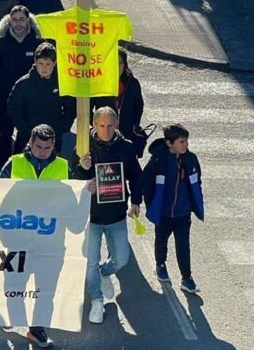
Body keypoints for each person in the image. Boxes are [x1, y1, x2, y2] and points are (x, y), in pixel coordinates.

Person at [0, 124, 78, 349]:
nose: (43, 151)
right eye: (39, 147)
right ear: (30, 144)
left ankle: (37, 330)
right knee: (14, 284)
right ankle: (15, 317)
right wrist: (5, 236)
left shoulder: (63, 167)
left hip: (50, 243)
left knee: (46, 289)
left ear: (54, 146)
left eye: (47, 147)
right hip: (18, 240)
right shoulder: (14, 164)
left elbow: (71, 200)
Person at [70, 106, 143, 325]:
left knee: (121, 259)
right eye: (101, 125)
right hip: (91, 217)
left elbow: (136, 176)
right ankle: (96, 300)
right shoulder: (83, 147)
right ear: (93, 125)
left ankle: (105, 272)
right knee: (90, 261)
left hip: (117, 215)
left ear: (116, 124)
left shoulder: (126, 147)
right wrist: (83, 171)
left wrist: (136, 201)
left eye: (110, 125)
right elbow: (71, 179)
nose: (106, 130)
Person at [142, 123, 203, 293]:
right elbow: (146, 182)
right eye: (181, 142)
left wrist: (195, 203)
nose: (186, 145)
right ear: (169, 143)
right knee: (161, 241)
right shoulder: (158, 159)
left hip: (183, 213)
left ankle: (187, 278)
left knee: (183, 245)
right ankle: (160, 264)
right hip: (164, 212)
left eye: (186, 141)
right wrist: (150, 204)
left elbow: (197, 182)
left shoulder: (191, 159)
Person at [0, 5, 43, 166]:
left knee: (26, 134)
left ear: (28, 20)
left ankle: (20, 165)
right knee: (4, 135)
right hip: (4, 96)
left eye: (22, 19)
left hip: (30, 97)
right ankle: (4, 168)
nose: (18, 24)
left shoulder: (37, 41)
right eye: (14, 20)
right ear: (9, 21)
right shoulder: (0, 42)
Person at [7, 42, 75, 153]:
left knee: (52, 168)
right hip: (27, 138)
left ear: (54, 63)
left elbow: (71, 107)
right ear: (35, 63)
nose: (44, 68)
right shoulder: (24, 84)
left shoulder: (62, 84)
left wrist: (62, 127)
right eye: (41, 63)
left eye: (47, 64)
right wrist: (24, 129)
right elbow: (13, 107)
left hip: (53, 138)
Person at [91, 47, 145, 144]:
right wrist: (97, 125)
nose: (118, 67)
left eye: (121, 63)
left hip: (126, 134)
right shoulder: (98, 83)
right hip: (104, 135)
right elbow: (88, 108)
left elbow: (138, 106)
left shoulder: (132, 83)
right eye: (114, 63)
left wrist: (134, 125)